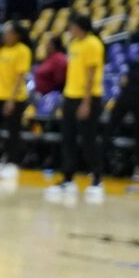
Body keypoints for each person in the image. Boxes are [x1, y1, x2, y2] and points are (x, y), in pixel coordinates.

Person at [48, 14, 107, 204]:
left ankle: (97, 179)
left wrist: (86, 102)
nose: (70, 30)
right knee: (68, 139)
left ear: (81, 26)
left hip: (87, 98)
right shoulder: (73, 44)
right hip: (70, 96)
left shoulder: (93, 44)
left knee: (88, 140)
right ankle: (68, 178)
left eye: (72, 26)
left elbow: (91, 75)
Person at [0, 22, 32, 181]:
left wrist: (11, 100)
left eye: (8, 32)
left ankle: (12, 163)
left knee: (13, 132)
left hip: (15, 97)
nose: (5, 35)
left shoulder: (23, 50)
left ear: (17, 35)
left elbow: (20, 77)